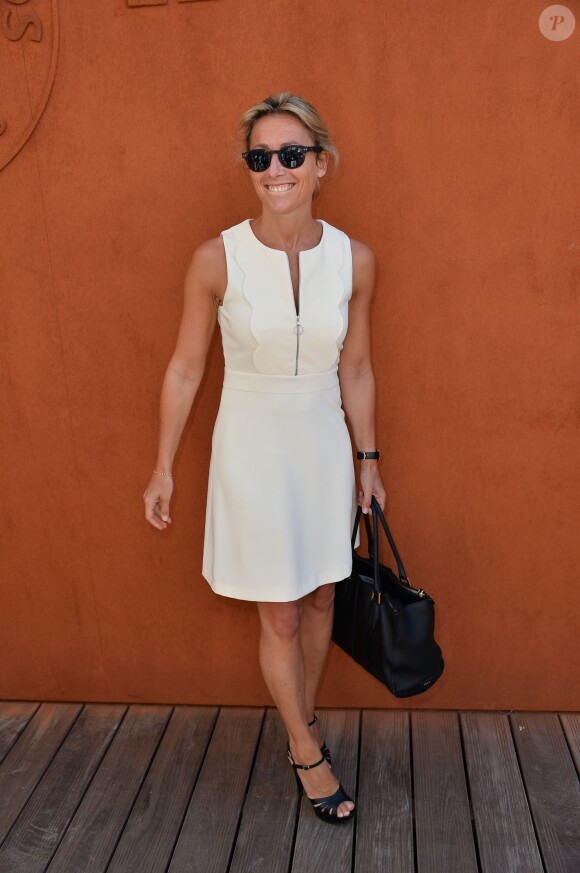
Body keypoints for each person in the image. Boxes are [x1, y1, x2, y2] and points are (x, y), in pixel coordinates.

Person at [143, 92, 386, 824]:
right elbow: (186, 367)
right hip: (249, 447)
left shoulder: (356, 259)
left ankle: (300, 718)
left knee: (319, 598)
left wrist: (368, 458)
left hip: (320, 445)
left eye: (289, 154)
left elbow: (359, 367)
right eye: (259, 157)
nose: (274, 169)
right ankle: (306, 749)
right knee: (278, 614)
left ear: (321, 163)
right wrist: (163, 464)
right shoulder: (215, 258)